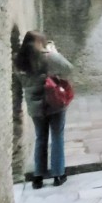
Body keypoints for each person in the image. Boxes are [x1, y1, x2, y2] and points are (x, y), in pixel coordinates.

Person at [15, 31, 74, 189]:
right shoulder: (47, 57)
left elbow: (19, 84)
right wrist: (54, 53)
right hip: (53, 102)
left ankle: (38, 177)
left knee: (40, 138)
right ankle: (58, 175)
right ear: (40, 43)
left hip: (35, 106)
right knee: (56, 136)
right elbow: (68, 68)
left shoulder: (19, 61)